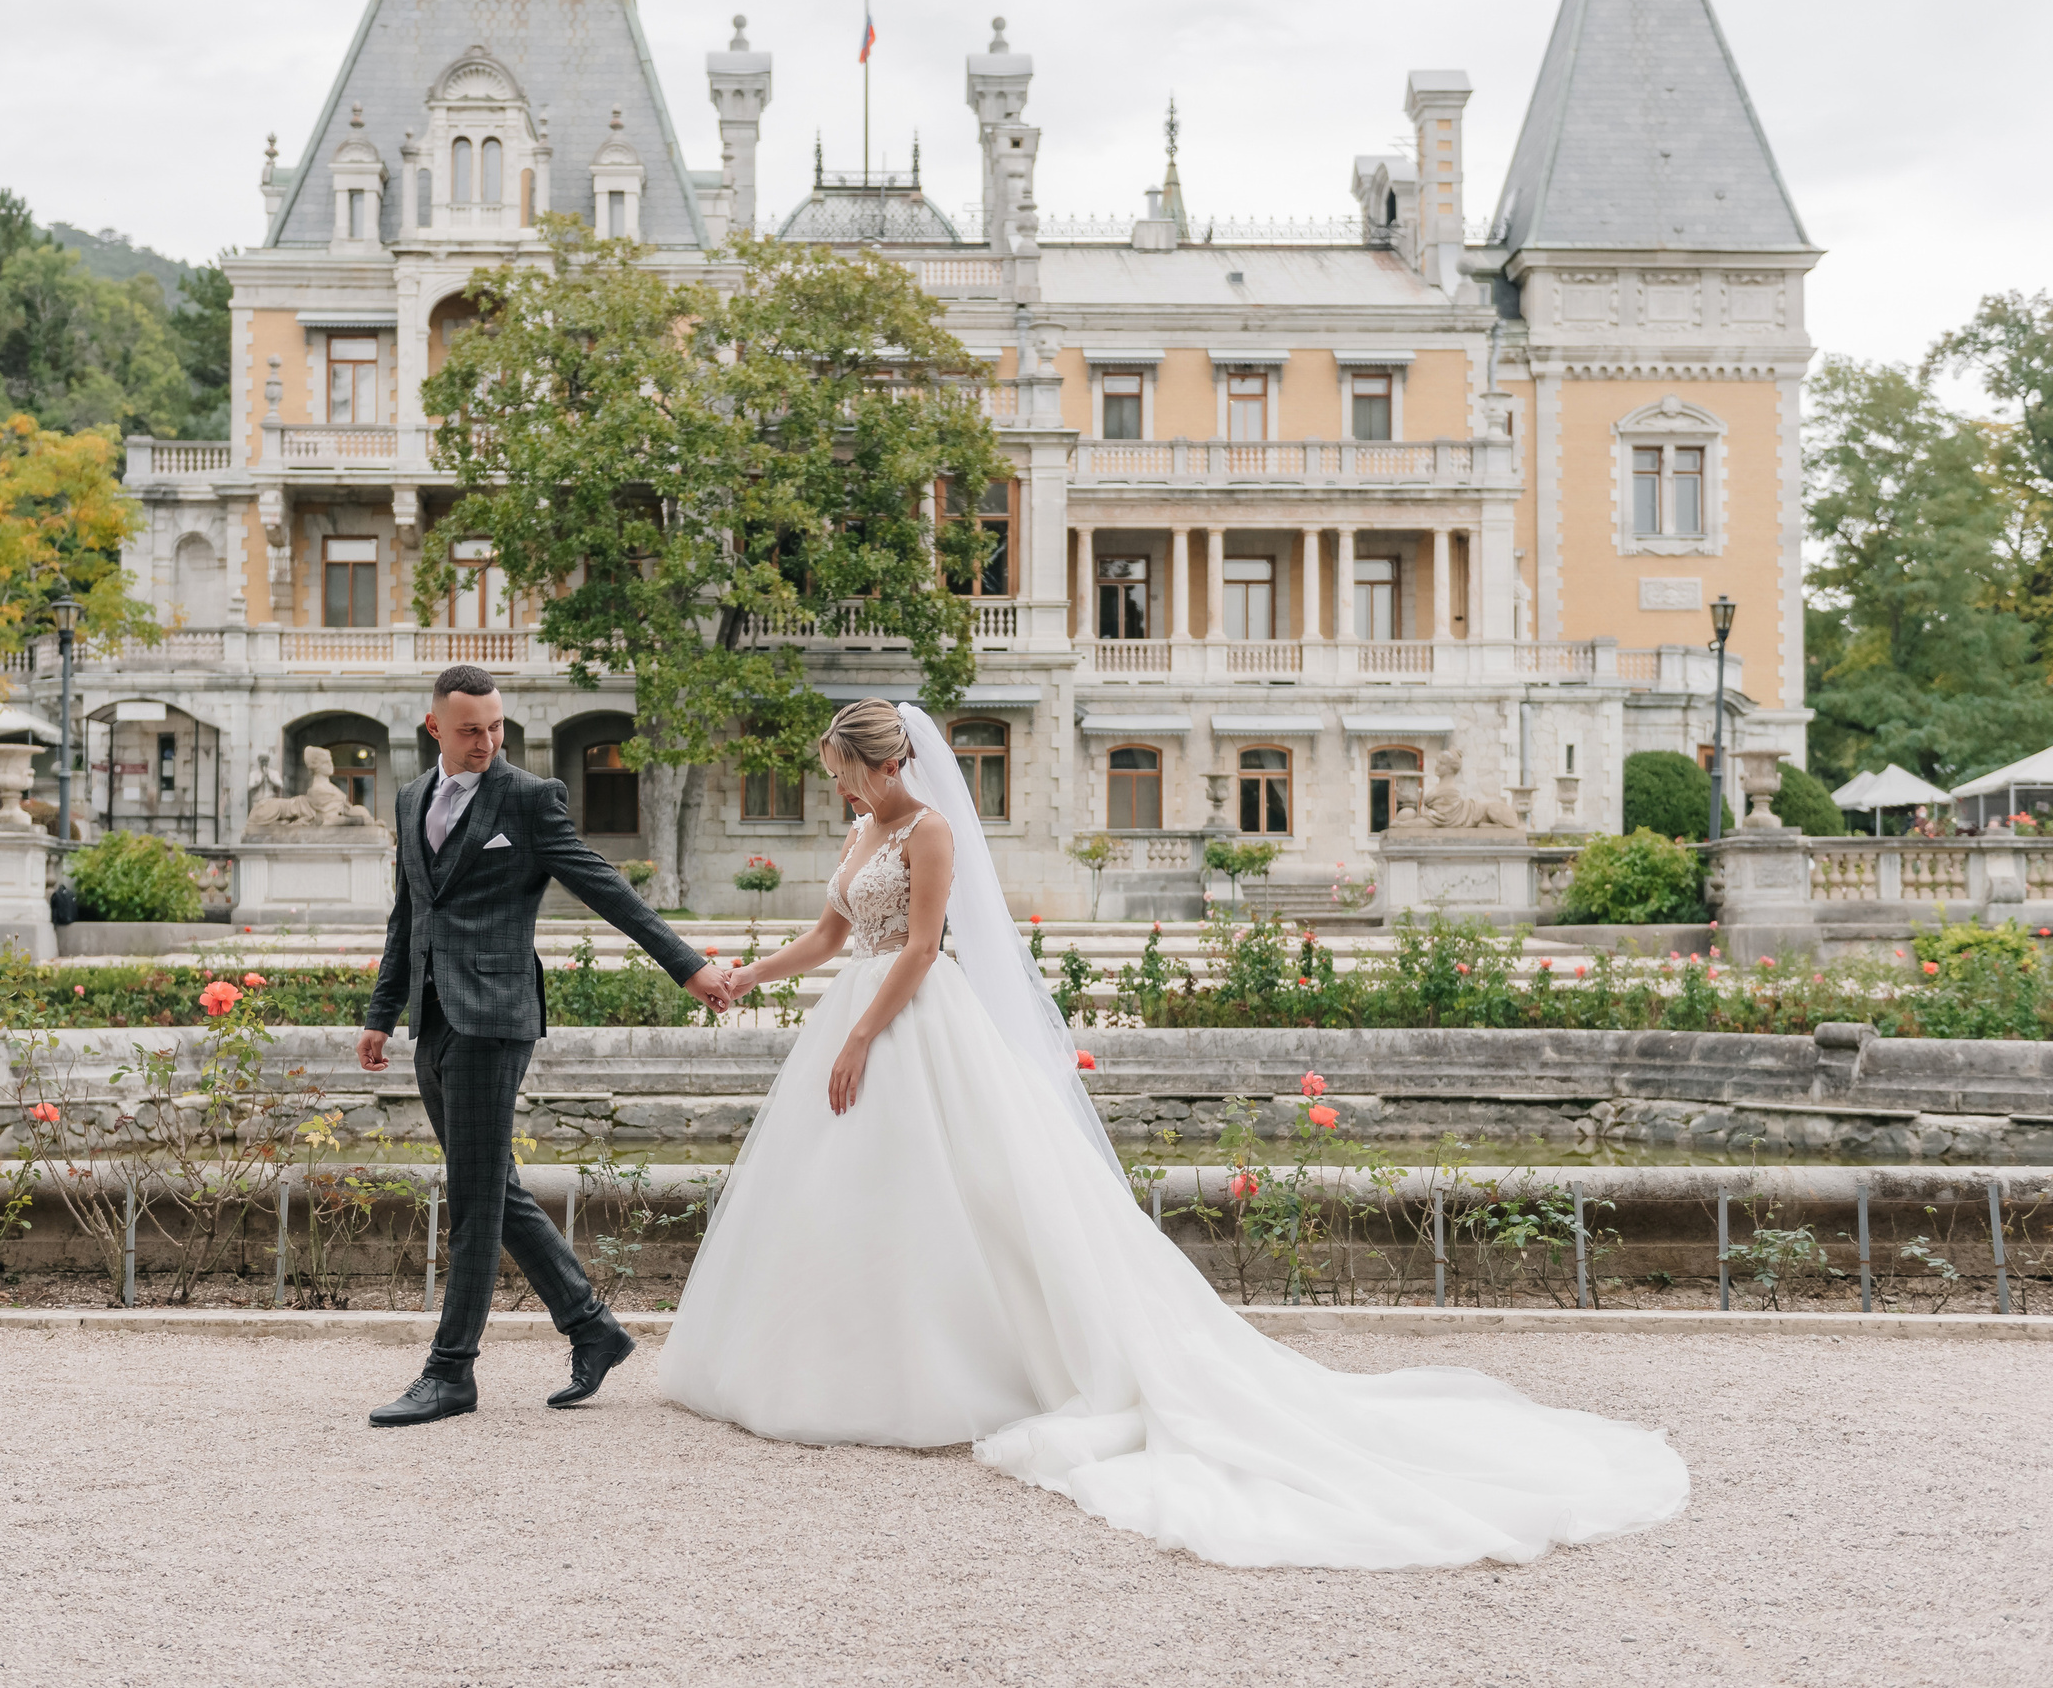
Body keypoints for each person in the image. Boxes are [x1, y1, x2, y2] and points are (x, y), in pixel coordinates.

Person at [658, 699, 1687, 1570]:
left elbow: (923, 946)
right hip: (854, 1009)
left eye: (848, 772)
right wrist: (753, 974)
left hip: (915, 1024)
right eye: (837, 776)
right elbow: (837, 933)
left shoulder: (926, 828)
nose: (842, 789)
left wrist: (863, 1037)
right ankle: (829, 1359)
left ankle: (966, 1371)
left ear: (889, 762)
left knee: (957, 1197)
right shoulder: (861, 833)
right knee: (846, 1199)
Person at [359, 665, 735, 1427]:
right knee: (490, 1185)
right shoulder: (409, 798)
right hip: (434, 1018)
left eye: (496, 727)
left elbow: (603, 883)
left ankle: (451, 1371)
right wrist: (381, 1011)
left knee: (471, 1197)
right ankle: (593, 1327)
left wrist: (688, 966)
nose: (487, 742)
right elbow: (410, 913)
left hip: (496, 1016)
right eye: (470, 730)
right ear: (433, 726)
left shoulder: (528, 799)